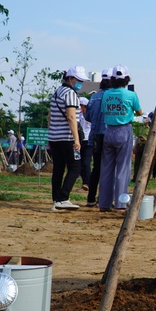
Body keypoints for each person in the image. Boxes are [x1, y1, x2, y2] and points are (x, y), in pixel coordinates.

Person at [99, 65, 142, 212]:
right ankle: (120, 204)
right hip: (124, 131)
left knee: (106, 169)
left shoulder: (106, 94)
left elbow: (104, 110)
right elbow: (139, 111)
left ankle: (104, 204)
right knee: (123, 169)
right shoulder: (131, 95)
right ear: (127, 79)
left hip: (108, 131)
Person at [48, 65, 88, 211]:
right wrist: (76, 140)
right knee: (75, 167)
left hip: (55, 137)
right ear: (70, 79)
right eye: (78, 80)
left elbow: (50, 115)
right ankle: (63, 198)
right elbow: (71, 117)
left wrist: (50, 133)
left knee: (58, 169)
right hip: (67, 137)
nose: (80, 83)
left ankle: (56, 199)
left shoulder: (57, 91)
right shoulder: (71, 94)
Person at [85, 68, 111, 207]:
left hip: (95, 136)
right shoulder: (113, 96)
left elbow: (87, 117)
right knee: (108, 168)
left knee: (96, 168)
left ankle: (90, 199)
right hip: (108, 135)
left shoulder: (94, 96)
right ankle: (104, 199)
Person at [78, 97, 92, 191]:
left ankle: (87, 183)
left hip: (88, 140)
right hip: (80, 141)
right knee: (80, 163)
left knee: (86, 163)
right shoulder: (78, 115)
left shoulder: (90, 115)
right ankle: (85, 182)